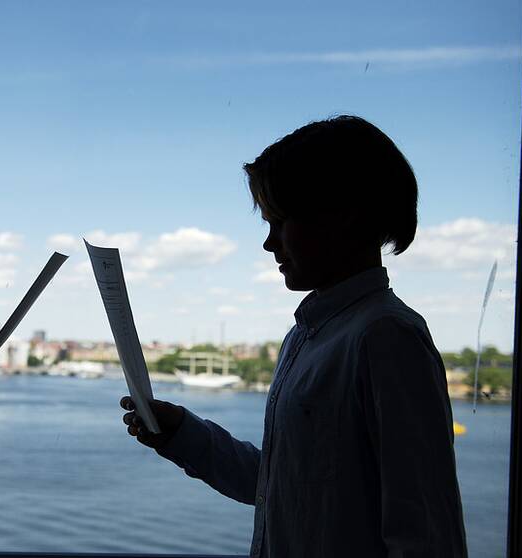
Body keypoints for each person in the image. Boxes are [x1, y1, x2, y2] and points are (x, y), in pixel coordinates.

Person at [121, 116, 468, 557]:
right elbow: (280, 485)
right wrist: (182, 435)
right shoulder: (307, 338)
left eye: (280, 222)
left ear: (343, 216)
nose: (269, 244)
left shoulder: (385, 338)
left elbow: (426, 535)